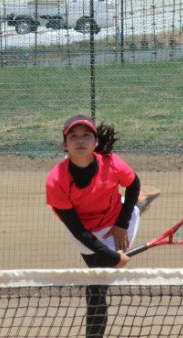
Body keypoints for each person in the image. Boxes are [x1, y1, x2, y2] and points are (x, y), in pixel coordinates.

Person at [45, 115, 159, 338]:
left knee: (96, 289)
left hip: (116, 218)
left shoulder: (112, 163)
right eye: (73, 136)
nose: (80, 140)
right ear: (64, 145)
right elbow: (77, 230)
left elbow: (133, 183)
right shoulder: (56, 180)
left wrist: (121, 225)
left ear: (96, 142)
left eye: (86, 135)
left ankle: (139, 205)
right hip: (84, 230)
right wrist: (113, 257)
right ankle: (140, 204)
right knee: (97, 277)